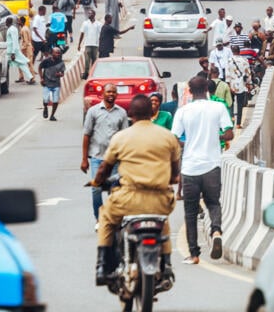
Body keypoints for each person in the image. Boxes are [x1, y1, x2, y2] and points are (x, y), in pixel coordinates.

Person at [91, 94, 180, 285]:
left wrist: (97, 182)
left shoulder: (121, 137)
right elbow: (175, 175)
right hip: (160, 201)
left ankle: (102, 266)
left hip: (127, 200)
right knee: (163, 223)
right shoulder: (167, 137)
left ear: (130, 114)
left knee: (105, 217)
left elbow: (104, 169)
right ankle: (166, 265)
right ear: (152, 112)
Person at [171, 76, 234, 265]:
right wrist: (217, 137)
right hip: (212, 165)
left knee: (190, 211)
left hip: (190, 168)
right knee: (213, 203)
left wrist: (187, 143)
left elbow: (174, 138)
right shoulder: (218, 108)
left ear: (189, 90)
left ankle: (194, 253)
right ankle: (216, 231)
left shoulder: (183, 111)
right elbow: (229, 133)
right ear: (207, 89)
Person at [82, 84, 130, 228]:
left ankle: (113, 217)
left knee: (114, 189)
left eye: (114, 92)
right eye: (108, 91)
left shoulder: (121, 113)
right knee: (96, 188)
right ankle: (99, 218)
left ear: (116, 95)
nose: (111, 94)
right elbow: (86, 135)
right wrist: (84, 159)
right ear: (103, 94)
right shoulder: (93, 111)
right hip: (97, 157)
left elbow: (125, 137)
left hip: (115, 159)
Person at [226, 45, 252, 128]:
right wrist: (249, 84)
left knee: (231, 104)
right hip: (241, 85)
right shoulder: (244, 60)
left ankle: (231, 121)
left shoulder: (229, 60)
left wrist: (228, 85)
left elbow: (227, 74)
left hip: (232, 85)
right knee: (240, 105)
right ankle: (238, 124)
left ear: (232, 51)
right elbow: (248, 73)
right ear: (239, 51)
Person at [5, 17, 35, 84]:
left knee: (5, 64)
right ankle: (30, 77)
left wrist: (13, 53)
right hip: (13, 50)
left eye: (6, 22)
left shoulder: (12, 30)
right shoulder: (13, 29)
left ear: (8, 22)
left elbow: (14, 41)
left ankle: (4, 80)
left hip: (12, 51)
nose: (5, 23)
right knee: (21, 64)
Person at [39, 47, 66, 121]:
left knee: (55, 101)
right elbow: (39, 68)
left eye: (59, 53)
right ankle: (45, 108)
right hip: (46, 83)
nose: (58, 54)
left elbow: (62, 73)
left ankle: (52, 115)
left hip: (56, 84)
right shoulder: (46, 61)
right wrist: (41, 78)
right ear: (52, 53)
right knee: (46, 100)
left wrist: (60, 74)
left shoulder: (61, 62)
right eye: (56, 53)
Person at [78, 9, 102, 80]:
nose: (89, 15)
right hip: (87, 44)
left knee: (94, 60)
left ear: (94, 15)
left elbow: (101, 35)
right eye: (88, 13)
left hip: (95, 45)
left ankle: (93, 73)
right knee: (87, 60)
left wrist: (100, 44)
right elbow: (82, 34)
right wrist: (79, 44)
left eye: (90, 13)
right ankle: (86, 74)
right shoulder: (85, 23)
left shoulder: (98, 24)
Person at [18, 16, 37, 82]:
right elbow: (30, 38)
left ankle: (32, 78)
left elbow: (26, 41)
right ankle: (21, 77)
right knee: (24, 62)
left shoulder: (23, 30)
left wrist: (22, 49)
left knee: (28, 63)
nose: (18, 22)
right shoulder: (26, 28)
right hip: (29, 47)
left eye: (19, 21)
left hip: (26, 48)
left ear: (21, 22)